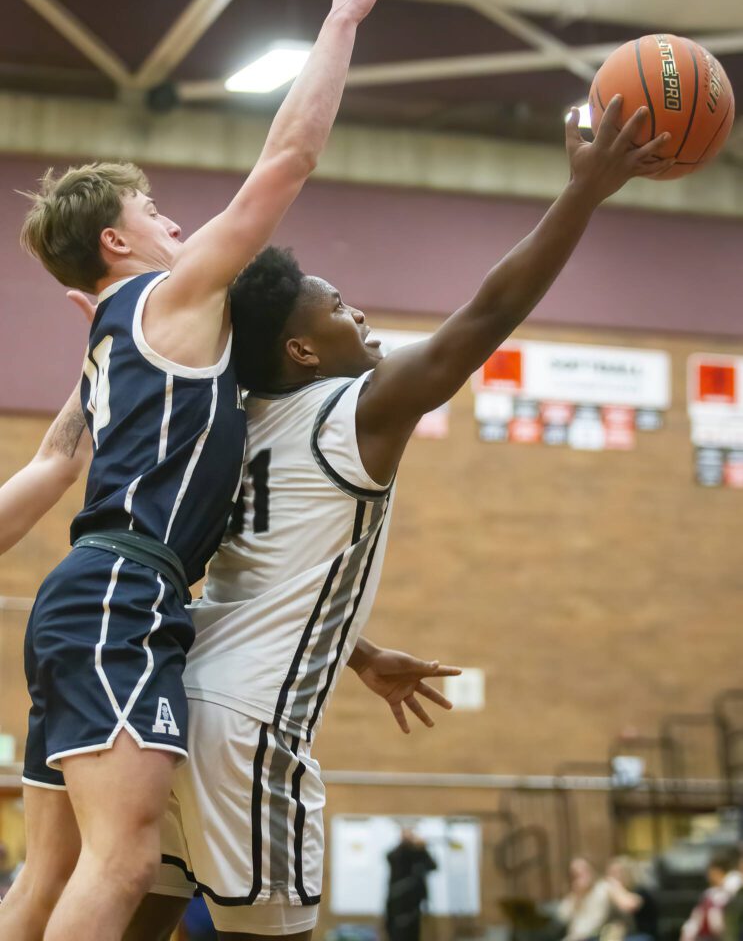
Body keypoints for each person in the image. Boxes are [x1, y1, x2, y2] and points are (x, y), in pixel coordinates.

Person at [0, 93, 673, 938]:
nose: (359, 316)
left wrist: (354, 650)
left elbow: (258, 573)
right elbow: (489, 314)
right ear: (301, 350)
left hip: (177, 691)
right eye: (338, 305)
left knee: (137, 915)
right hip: (249, 723)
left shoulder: (230, 424)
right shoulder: (359, 411)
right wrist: (584, 191)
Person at [0, 0, 403, 941]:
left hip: (80, 599)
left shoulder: (107, 347)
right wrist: (343, 15)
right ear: (118, 243)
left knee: (43, 880)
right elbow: (289, 157)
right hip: (121, 599)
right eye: (161, 217)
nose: (184, 229)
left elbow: (54, 461)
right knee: (126, 859)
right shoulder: (164, 300)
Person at [385, 829, 437, 941]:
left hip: (413, 901)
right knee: (397, 931)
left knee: (412, 932)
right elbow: (391, 857)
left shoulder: (418, 854)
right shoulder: (396, 854)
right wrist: (407, 844)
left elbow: (433, 866)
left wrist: (423, 849)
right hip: (397, 901)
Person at [681, 851, 740, 941]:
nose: (708, 876)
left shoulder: (735, 883)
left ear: (717, 870)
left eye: (711, 871)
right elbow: (696, 918)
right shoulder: (709, 893)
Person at [557, 857, 613, 941]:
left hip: (596, 936)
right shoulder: (573, 896)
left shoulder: (603, 887)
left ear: (592, 871)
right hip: (574, 937)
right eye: (576, 874)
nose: (581, 876)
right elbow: (562, 918)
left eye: (584, 871)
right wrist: (577, 897)